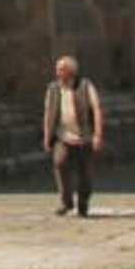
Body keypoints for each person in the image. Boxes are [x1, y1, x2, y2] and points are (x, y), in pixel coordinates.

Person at [40, 55, 104, 218]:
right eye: (57, 69)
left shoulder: (85, 85)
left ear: (71, 71)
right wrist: (47, 136)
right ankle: (66, 202)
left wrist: (97, 134)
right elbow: (48, 114)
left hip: (84, 137)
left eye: (61, 69)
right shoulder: (53, 89)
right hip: (63, 137)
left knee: (85, 174)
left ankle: (83, 203)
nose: (57, 72)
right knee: (60, 163)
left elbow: (96, 107)